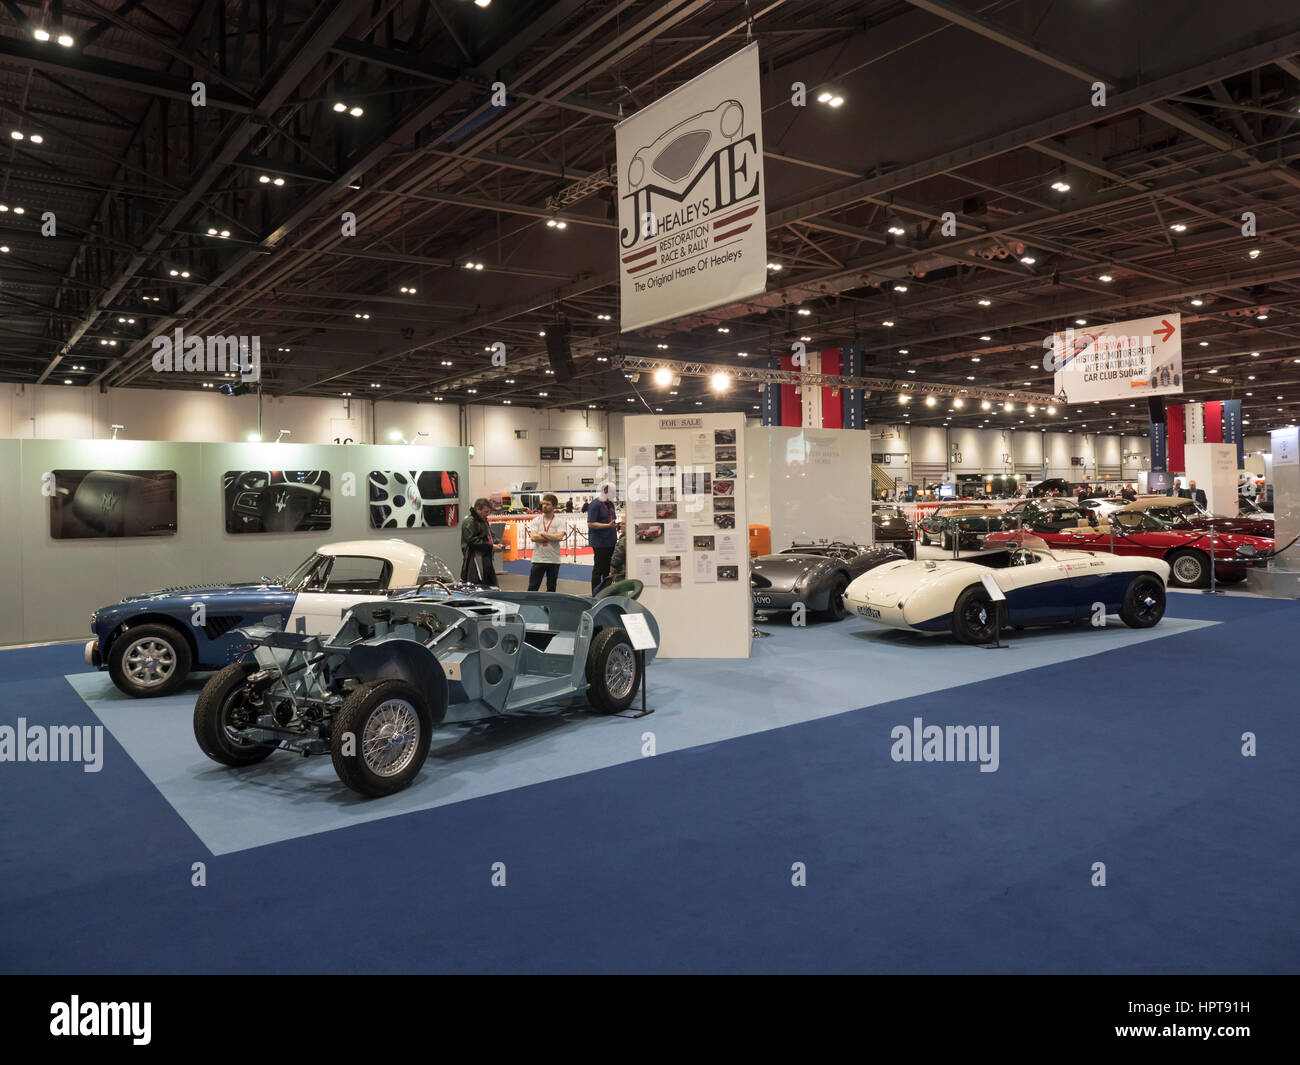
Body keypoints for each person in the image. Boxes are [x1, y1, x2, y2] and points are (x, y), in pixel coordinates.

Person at [527, 493, 565, 591]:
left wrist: (543, 533)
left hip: (554, 560)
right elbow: (533, 537)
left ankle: (550, 606)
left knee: (551, 588)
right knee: (533, 587)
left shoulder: (560, 521)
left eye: (547, 504)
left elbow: (560, 537)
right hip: (538, 559)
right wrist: (551, 536)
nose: (544, 506)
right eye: (543, 504)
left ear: (554, 506)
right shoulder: (536, 520)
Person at [460, 497, 502, 586]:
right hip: (474, 560)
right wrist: (491, 546)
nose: (488, 514)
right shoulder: (469, 522)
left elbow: (490, 535)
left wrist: (497, 543)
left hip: (486, 559)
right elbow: (472, 542)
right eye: (486, 512)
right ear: (478, 509)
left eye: (489, 512)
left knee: (491, 586)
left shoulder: (483, 521)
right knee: (476, 586)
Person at [586, 481, 618, 594]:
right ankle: (595, 594)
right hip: (600, 542)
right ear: (605, 491)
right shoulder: (595, 504)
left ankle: (605, 592)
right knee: (598, 569)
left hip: (611, 541)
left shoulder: (610, 504)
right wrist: (607, 526)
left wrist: (615, 525)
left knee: (607, 570)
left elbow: (611, 519)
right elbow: (590, 523)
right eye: (613, 492)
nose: (614, 494)